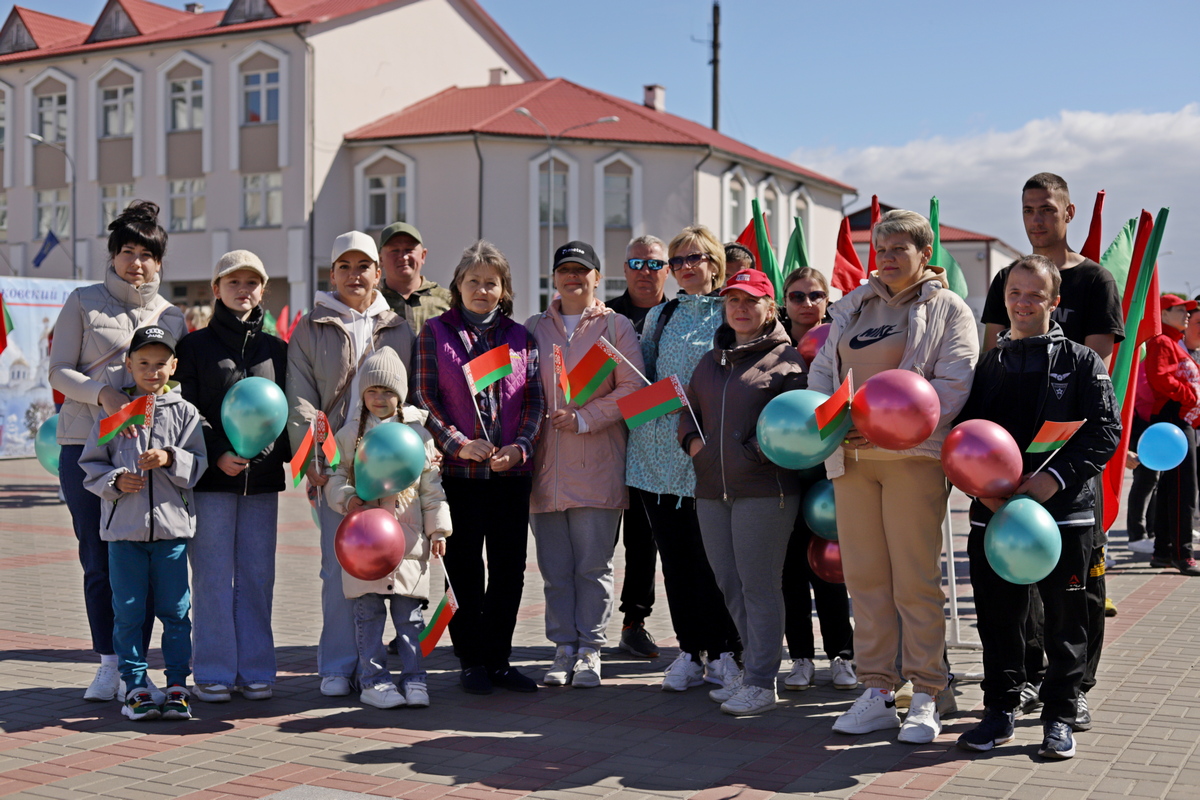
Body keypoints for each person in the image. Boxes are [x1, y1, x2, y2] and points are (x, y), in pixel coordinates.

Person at [809, 209, 978, 744]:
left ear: (924, 254)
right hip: (852, 460)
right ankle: (879, 689)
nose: (887, 256)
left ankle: (928, 691)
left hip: (913, 459)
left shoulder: (948, 308)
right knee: (865, 581)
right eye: (881, 248)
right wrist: (833, 424)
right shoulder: (852, 306)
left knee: (914, 580)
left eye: (900, 247)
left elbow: (954, 383)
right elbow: (821, 374)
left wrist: (891, 430)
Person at [955, 255, 1120, 759]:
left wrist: (1053, 479)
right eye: (1014, 295)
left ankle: (1060, 715)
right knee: (998, 617)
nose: (1023, 304)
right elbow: (961, 438)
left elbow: (1105, 431)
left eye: (1034, 296)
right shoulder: (988, 364)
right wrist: (979, 490)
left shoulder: (1080, 360)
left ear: (1055, 302)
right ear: (1004, 300)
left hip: (1064, 514)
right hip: (995, 514)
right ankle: (999, 710)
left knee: (1065, 618)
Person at [981, 173, 1125, 718]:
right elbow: (993, 357)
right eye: (1027, 210)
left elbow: (1094, 379)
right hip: (1009, 465)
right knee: (1019, 583)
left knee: (1075, 590)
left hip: (1065, 465)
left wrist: (1054, 467)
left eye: (1046, 209)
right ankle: (1029, 678)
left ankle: (1074, 691)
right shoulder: (1006, 278)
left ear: (1068, 212)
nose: (1036, 219)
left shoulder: (1094, 280)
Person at [48, 201, 187, 703]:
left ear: (159, 262)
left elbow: (177, 386)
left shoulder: (171, 315)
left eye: (146, 253)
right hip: (86, 447)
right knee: (97, 559)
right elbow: (59, 369)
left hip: (147, 457)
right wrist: (102, 394)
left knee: (143, 559)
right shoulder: (83, 301)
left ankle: (138, 666)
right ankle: (108, 663)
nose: (136, 262)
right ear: (111, 256)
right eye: (126, 251)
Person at [286, 231, 416, 697]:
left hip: (393, 467)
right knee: (337, 565)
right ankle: (338, 664)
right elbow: (299, 398)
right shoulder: (310, 326)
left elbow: (413, 395)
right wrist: (313, 460)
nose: (354, 275)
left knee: (393, 567)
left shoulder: (400, 326)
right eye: (345, 266)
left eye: (363, 266)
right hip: (336, 469)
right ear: (332, 273)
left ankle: (376, 666)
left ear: (377, 273)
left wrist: (415, 452)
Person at [412, 240, 545, 695]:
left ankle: (500, 660)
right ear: (458, 286)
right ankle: (470, 660)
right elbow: (424, 399)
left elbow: (534, 402)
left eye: (492, 283)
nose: (482, 290)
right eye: (474, 282)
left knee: (509, 569)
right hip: (461, 476)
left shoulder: (520, 337)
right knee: (464, 568)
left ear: (504, 289)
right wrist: (457, 443)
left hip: (510, 476)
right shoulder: (435, 333)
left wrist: (521, 448)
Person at [679, 269, 806, 715]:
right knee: (730, 584)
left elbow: (798, 424)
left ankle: (761, 681)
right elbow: (688, 409)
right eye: (733, 300)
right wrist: (693, 444)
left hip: (763, 490)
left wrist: (752, 452)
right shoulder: (711, 359)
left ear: (770, 308)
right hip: (712, 488)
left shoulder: (787, 360)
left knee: (759, 585)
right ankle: (753, 669)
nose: (740, 308)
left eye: (751, 300)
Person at [625, 225, 741, 693]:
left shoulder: (732, 310)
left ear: (715, 262)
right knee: (674, 561)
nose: (684, 268)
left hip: (707, 454)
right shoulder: (661, 315)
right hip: (655, 456)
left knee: (715, 561)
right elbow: (644, 382)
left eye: (693, 258)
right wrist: (654, 402)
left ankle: (728, 651)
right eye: (676, 262)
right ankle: (691, 652)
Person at [526, 241, 645, 687]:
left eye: (582, 271)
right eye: (564, 271)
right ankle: (562, 648)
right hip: (545, 471)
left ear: (597, 277)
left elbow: (633, 389)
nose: (572, 278)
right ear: (554, 278)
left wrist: (583, 418)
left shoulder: (615, 327)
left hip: (596, 463)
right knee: (556, 569)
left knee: (593, 567)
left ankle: (591, 650)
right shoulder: (535, 327)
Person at [175, 250, 288, 703]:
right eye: (233, 282)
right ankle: (214, 670)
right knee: (212, 577)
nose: (244, 290)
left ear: (263, 289)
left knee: (258, 577)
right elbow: (188, 412)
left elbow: (284, 413)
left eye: (252, 283)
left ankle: (257, 669)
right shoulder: (195, 347)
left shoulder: (277, 350)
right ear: (216, 289)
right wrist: (219, 452)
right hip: (211, 483)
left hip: (261, 483)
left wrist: (265, 452)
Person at [79, 326, 208, 720]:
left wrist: (170, 458)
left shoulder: (186, 413)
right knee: (129, 613)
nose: (152, 371)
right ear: (129, 365)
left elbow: (198, 466)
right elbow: (90, 467)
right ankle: (133, 686)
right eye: (143, 363)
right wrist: (116, 481)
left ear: (174, 365)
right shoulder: (114, 414)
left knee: (175, 612)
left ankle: (176, 686)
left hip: (171, 534)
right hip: (123, 534)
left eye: (160, 364)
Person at [327, 347, 451, 709]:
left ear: (400, 395)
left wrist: (438, 531)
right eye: (372, 391)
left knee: (409, 619)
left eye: (388, 392)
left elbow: (432, 489)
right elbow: (335, 476)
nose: (379, 399)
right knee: (368, 618)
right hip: (365, 544)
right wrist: (347, 497)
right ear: (362, 395)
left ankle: (415, 679)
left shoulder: (418, 436)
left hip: (410, 546)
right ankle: (374, 681)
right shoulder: (350, 434)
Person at [779, 267, 857, 692]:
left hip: (831, 468)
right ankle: (801, 658)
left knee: (831, 564)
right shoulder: (772, 345)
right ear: (785, 300)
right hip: (784, 470)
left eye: (815, 295)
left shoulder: (841, 341)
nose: (806, 304)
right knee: (790, 568)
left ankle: (842, 655)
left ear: (828, 299)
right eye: (797, 296)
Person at [606, 234, 669, 659]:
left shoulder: (679, 314)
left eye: (654, 264)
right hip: (608, 440)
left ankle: (635, 621)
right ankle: (581, 632)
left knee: (645, 539)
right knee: (599, 541)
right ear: (624, 268)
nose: (645, 272)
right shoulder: (607, 315)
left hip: (662, 447)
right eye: (636, 264)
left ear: (667, 269)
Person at [1144, 295, 1200, 576]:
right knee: (1183, 489)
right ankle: (1183, 553)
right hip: (1173, 419)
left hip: (1177, 420)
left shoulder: (1172, 342)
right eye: (1181, 311)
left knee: (1171, 489)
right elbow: (1159, 377)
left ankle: (1164, 552)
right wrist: (1190, 396)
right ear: (1164, 314)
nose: (1187, 315)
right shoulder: (1162, 342)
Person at [377, 222, 452, 335]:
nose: (403, 257)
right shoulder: (372, 301)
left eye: (409, 249)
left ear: (423, 255)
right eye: (395, 250)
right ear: (380, 259)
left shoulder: (448, 300)